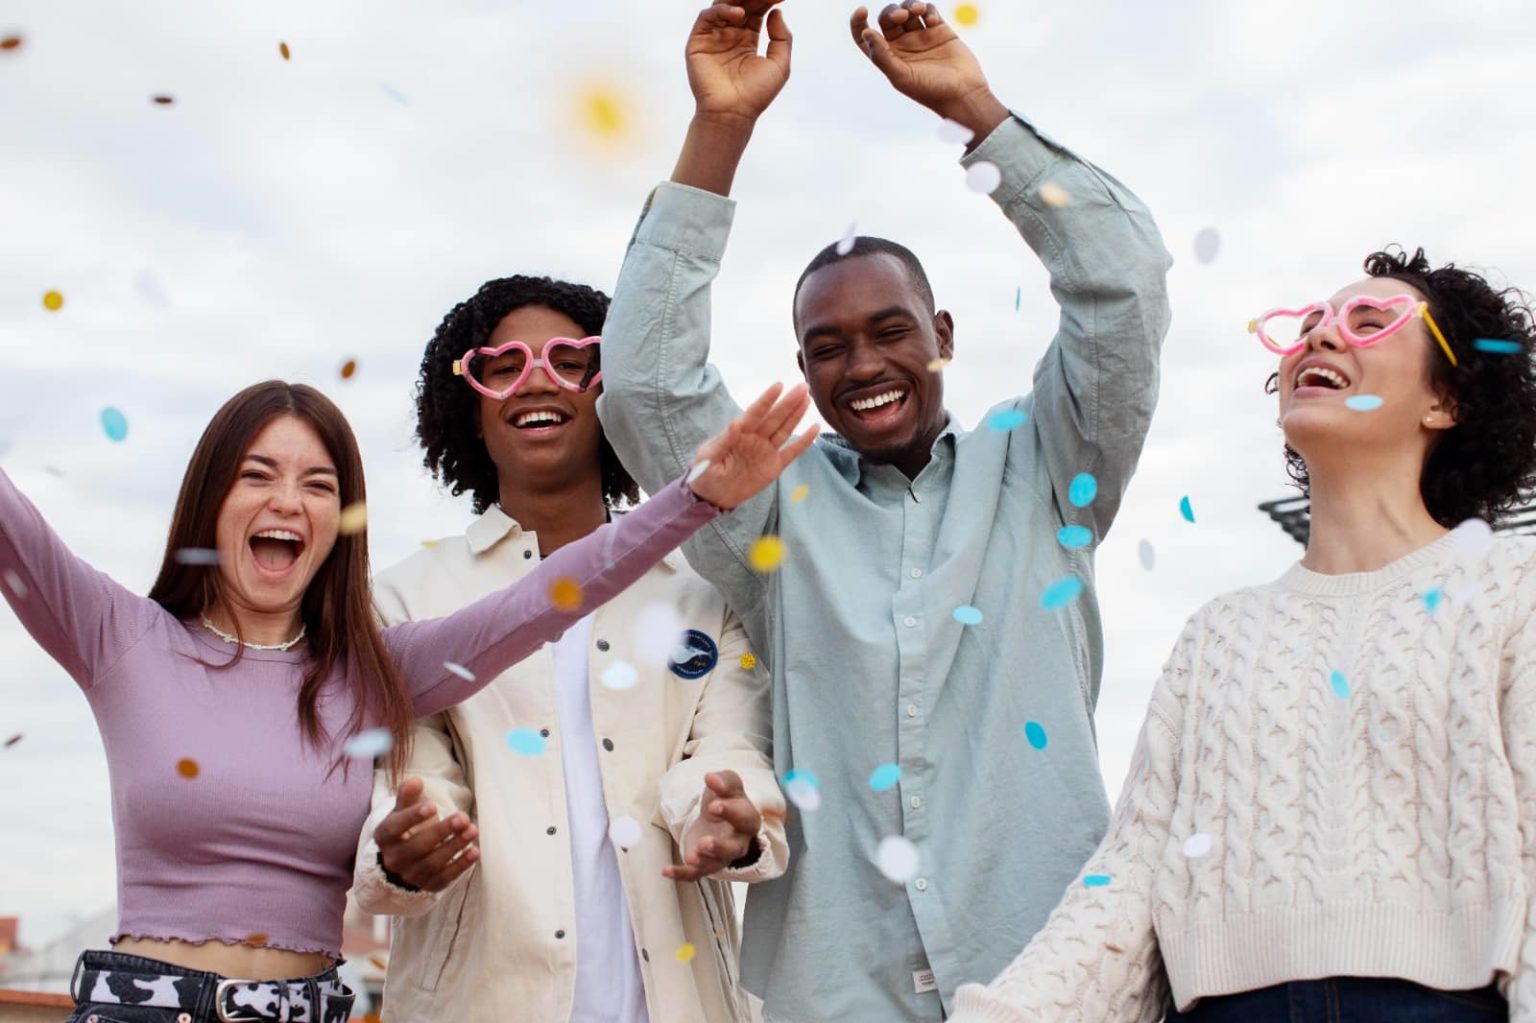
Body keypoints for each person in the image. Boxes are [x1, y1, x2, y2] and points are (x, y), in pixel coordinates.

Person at [595, 1, 1173, 1018]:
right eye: (826, 347)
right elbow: (643, 388)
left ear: (941, 332)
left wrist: (974, 112)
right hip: (837, 987)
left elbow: (1121, 286)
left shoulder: (1048, 467)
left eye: (890, 330)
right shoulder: (773, 511)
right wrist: (719, 127)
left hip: (1056, 974)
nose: (861, 366)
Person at [0, 375, 815, 1023]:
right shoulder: (121, 637)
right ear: (211, 496)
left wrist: (695, 499)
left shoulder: (376, 669)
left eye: (317, 485)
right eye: (258, 475)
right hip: (146, 1008)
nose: (287, 501)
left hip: (314, 1006)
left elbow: (542, 601)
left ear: (338, 523)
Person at [951, 247, 1536, 1022]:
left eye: (1369, 321)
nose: (1321, 339)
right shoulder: (1217, 636)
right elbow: (1131, 881)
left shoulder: (1513, 588)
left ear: (1446, 400)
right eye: (1310, 326)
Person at [350, 275, 788, 1023]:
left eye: (567, 360)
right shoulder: (401, 597)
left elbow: (732, 753)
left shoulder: (701, 591)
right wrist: (405, 852)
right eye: (503, 365)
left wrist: (724, 817)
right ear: (471, 408)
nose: (536, 381)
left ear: (607, 391)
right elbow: (410, 780)